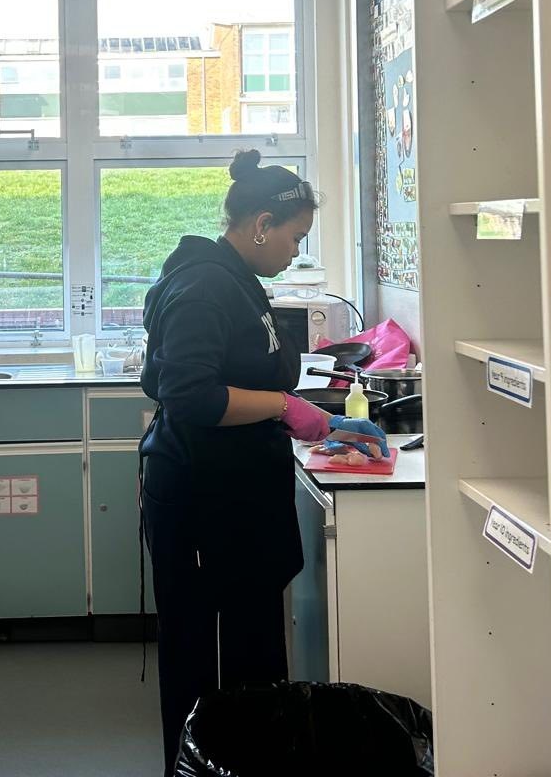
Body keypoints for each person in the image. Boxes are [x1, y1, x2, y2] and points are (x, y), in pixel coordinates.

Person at [139, 149, 387, 774]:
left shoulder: (238, 282)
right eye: (294, 237)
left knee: (253, 643)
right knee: (197, 649)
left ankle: (250, 763)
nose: (295, 252)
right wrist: (285, 406)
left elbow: (244, 373)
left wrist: (320, 420)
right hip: (202, 495)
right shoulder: (202, 286)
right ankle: (195, 766)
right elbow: (189, 394)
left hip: (239, 491)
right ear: (261, 224)